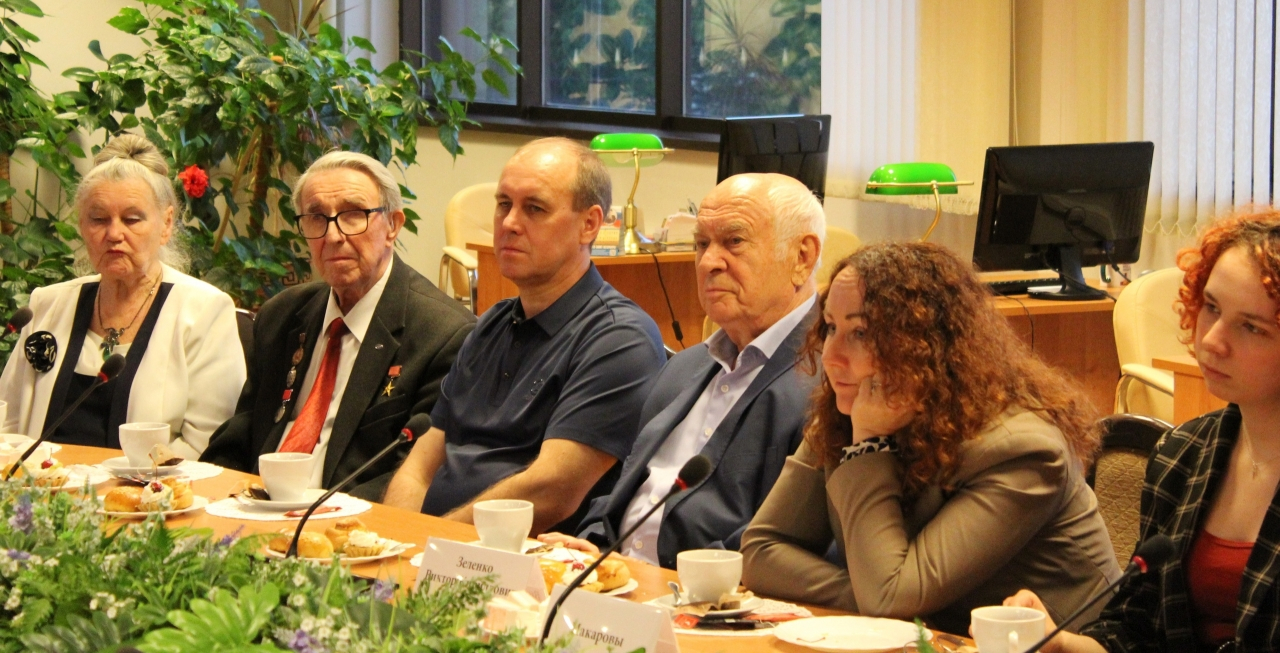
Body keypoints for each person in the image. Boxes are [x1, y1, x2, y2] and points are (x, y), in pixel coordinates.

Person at [740, 242, 1121, 636]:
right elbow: (761, 551)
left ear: (925, 346)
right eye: (831, 327)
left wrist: (868, 442)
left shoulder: (1022, 451)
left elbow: (889, 598)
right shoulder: (846, 413)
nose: (831, 356)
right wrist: (863, 594)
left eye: (861, 332)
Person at [1006, 211, 1280, 652]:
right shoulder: (1182, 455)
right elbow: (1136, 633)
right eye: (1211, 307)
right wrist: (1060, 642)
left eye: (1251, 327)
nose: (1213, 340)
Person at [537, 173, 823, 568]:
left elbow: (790, 543)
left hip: (711, 593)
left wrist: (655, 579)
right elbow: (624, 492)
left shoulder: (831, 382)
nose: (708, 262)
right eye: (702, 244)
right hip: (615, 580)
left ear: (802, 258)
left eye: (734, 242)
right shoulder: (684, 367)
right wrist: (592, 547)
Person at [383, 137, 665, 534]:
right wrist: (397, 536)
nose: (510, 223)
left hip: (518, 557)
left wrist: (434, 540)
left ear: (589, 224)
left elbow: (551, 490)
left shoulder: (619, 338)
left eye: (535, 208)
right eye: (504, 204)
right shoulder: (491, 324)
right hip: (432, 546)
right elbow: (420, 465)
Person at [200, 151, 474, 500]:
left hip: (347, 518)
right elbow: (239, 437)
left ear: (392, 225)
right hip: (253, 507)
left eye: (353, 214)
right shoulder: (281, 316)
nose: (332, 236)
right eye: (316, 218)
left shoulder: (443, 335)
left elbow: (410, 475)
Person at [0, 134, 245, 458]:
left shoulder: (204, 312)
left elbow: (205, 446)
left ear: (166, 224)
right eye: (98, 219)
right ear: (82, 225)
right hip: (42, 486)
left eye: (131, 219)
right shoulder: (47, 305)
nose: (114, 234)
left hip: (149, 488)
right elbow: (7, 422)